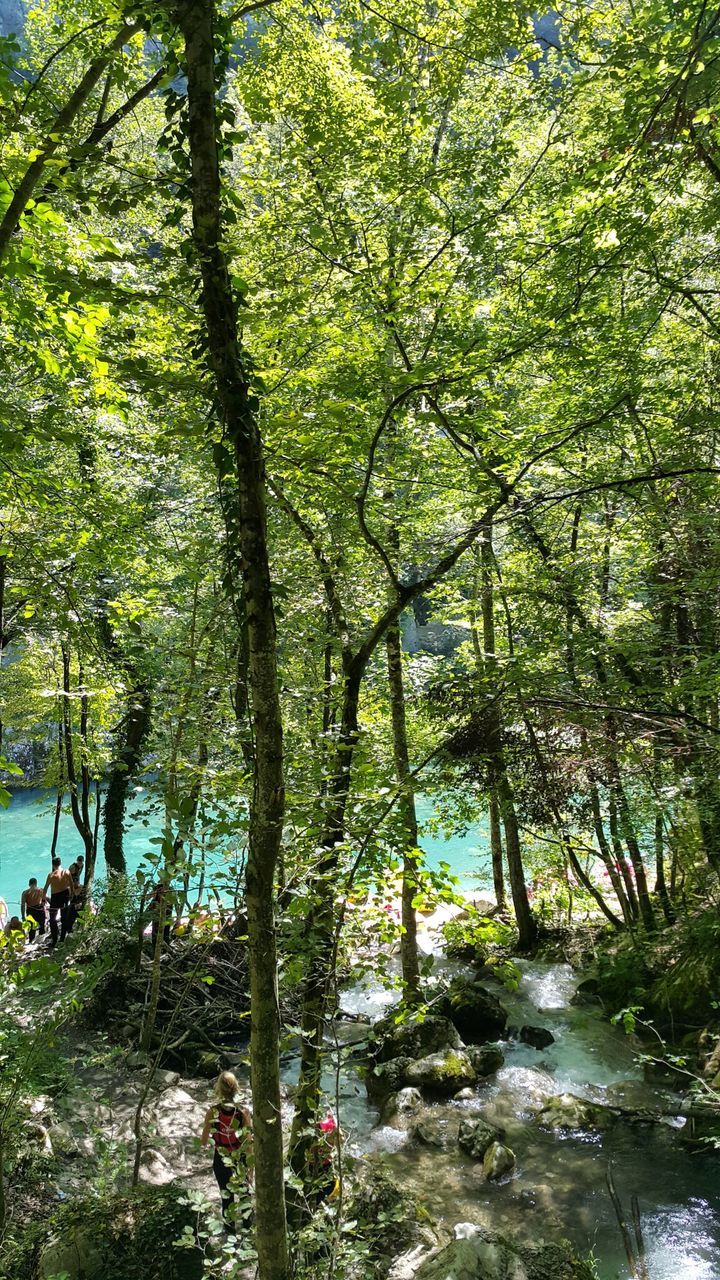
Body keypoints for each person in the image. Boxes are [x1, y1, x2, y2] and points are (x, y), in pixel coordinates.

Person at [200, 1071, 253, 1231]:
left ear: (219, 1090)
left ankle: (230, 1233)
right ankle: (247, 1229)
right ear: (236, 1088)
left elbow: (203, 1141)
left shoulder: (213, 1112)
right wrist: (251, 1168)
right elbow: (248, 1142)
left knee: (226, 1196)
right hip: (240, 1158)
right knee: (245, 1194)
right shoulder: (243, 1112)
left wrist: (217, 1137)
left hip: (221, 1158)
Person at [309, 1108, 341, 1205]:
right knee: (324, 1189)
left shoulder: (312, 1128)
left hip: (313, 1165)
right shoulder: (331, 1123)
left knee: (317, 1192)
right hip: (325, 1165)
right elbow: (341, 1138)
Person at [44, 857, 73, 945]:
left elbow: (45, 889)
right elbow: (71, 884)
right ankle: (62, 938)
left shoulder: (51, 875)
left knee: (52, 919)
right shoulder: (66, 872)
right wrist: (71, 895)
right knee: (64, 918)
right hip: (65, 895)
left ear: (53, 865)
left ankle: (54, 939)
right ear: (60, 863)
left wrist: (45, 899)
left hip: (55, 897)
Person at [21, 878, 48, 942]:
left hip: (30, 911)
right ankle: (41, 941)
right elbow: (47, 899)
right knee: (41, 927)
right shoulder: (41, 890)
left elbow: (23, 905)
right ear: (36, 883)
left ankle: (31, 941)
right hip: (40, 909)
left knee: (32, 929)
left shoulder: (25, 893)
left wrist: (23, 916)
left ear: (29, 884)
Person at [65, 856, 85, 934]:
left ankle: (80, 926)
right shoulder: (72, 867)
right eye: (79, 862)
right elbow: (67, 878)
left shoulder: (82, 866)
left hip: (76, 882)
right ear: (77, 861)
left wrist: (78, 884)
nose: (80, 863)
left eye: (81, 862)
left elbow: (78, 875)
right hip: (70, 883)